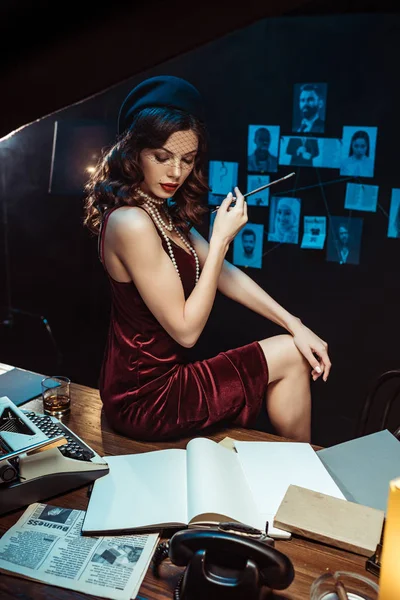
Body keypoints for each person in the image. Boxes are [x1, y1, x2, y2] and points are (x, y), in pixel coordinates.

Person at [83, 75, 331, 444]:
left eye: (187, 159)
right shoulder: (130, 222)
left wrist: (295, 324)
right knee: (292, 357)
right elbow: (186, 331)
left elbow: (226, 275)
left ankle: (300, 472)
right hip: (145, 399)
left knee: (293, 345)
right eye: (162, 157)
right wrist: (220, 242)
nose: (176, 173)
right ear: (134, 151)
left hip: (160, 384)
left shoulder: (160, 210)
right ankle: (304, 477)